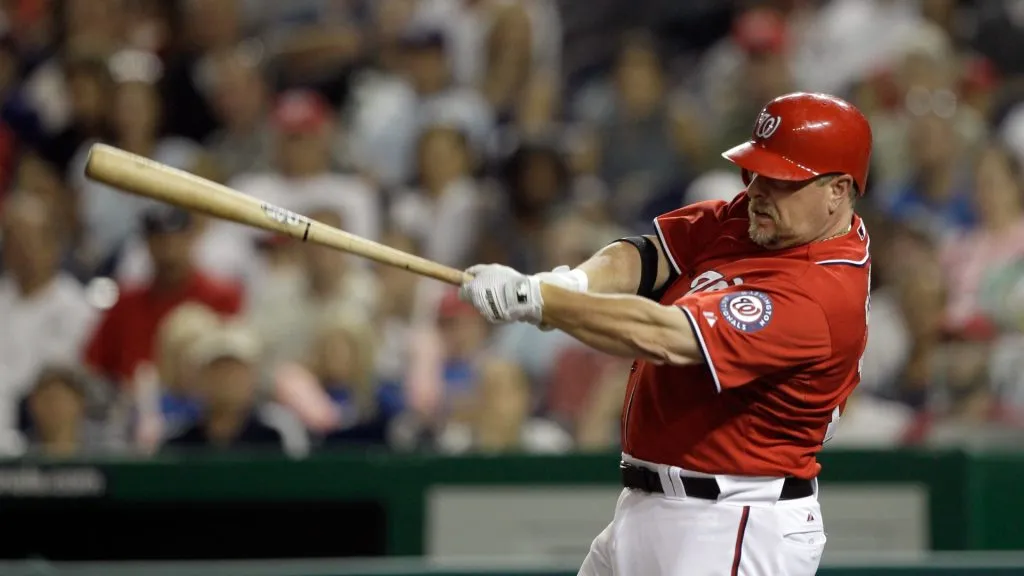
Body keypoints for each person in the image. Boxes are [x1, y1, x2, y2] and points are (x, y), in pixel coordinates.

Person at [459, 92, 873, 576]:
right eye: (756, 172)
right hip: (651, 506)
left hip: (730, 522)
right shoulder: (761, 220)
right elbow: (650, 254)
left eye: (781, 180)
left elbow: (662, 335)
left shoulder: (820, 292)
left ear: (838, 190)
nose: (758, 189)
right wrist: (571, 281)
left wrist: (543, 302)